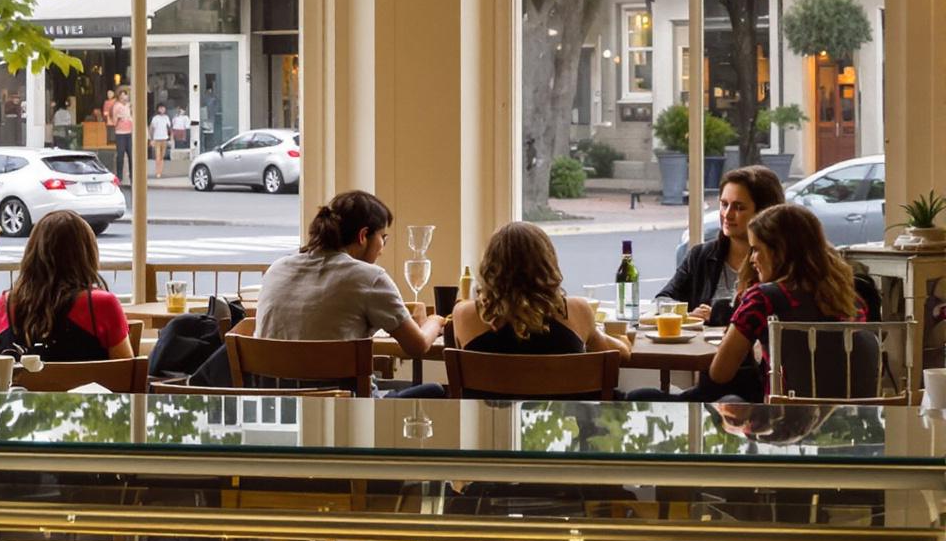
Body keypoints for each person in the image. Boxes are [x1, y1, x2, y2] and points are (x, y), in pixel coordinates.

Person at [697, 201, 867, 402]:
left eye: (757, 249)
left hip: (784, 420)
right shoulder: (851, 300)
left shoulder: (762, 299)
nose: (752, 259)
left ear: (780, 251)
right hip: (844, 421)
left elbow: (720, 373)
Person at [255, 189, 442, 357]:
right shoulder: (370, 278)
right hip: (341, 395)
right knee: (434, 390)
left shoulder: (277, 268)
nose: (382, 248)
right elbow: (417, 346)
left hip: (277, 393)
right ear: (363, 236)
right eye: (383, 238)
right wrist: (436, 321)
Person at [449, 221, 631, 361]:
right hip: (563, 411)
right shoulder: (576, 310)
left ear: (490, 266)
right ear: (547, 263)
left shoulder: (464, 314)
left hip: (488, 411)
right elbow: (620, 354)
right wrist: (624, 339)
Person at [0, 209, 132, 361]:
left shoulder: (4, 305)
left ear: (32, 254)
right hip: (90, 385)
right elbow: (127, 373)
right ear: (87, 254)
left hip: (25, 386)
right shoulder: (102, 305)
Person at [656, 164, 783, 320]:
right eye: (724, 204)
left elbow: (777, 315)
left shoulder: (780, 261)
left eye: (739, 207)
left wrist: (716, 315)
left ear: (764, 212)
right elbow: (662, 300)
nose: (727, 215)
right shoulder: (701, 255)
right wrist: (685, 315)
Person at [109, 90, 133, 185]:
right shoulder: (116, 106)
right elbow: (114, 121)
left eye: (125, 96)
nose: (124, 98)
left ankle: (132, 176)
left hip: (129, 132)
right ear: (119, 97)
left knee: (131, 155)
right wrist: (118, 117)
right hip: (120, 133)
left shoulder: (129, 106)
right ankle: (119, 176)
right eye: (122, 96)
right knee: (120, 155)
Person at [149, 104, 171, 177]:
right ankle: (157, 172)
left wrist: (170, 137)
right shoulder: (155, 118)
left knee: (162, 156)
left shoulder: (166, 118)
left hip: (164, 139)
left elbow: (169, 128)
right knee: (157, 156)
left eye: (163, 108)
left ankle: (160, 171)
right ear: (158, 109)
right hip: (157, 139)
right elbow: (151, 128)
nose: (162, 109)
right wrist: (151, 139)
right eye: (160, 108)